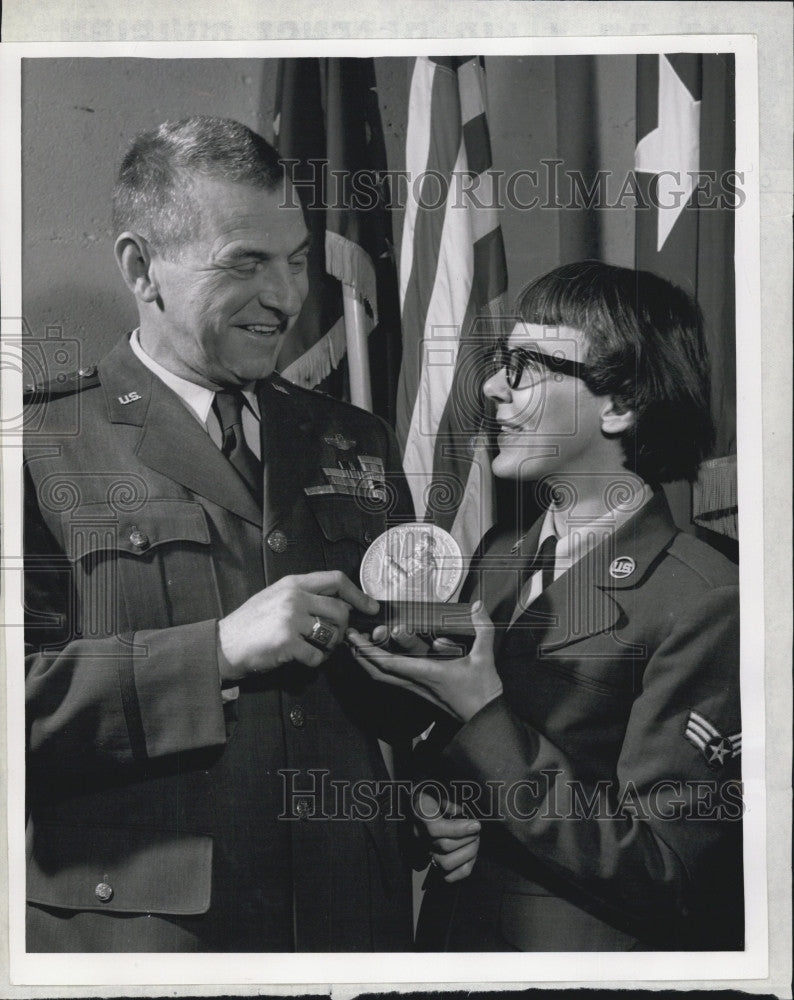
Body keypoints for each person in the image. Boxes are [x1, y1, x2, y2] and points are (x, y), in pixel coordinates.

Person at [23, 116, 423, 952]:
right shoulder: (38, 443)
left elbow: (395, 671)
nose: (284, 297)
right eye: (244, 262)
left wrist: (435, 784)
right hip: (150, 936)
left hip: (350, 920)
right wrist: (213, 653)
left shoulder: (355, 439)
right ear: (141, 268)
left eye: (297, 260)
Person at [348, 261, 743, 951]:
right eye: (504, 361)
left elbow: (670, 875)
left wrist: (484, 714)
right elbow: (453, 756)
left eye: (528, 366)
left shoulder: (705, 599)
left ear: (619, 405)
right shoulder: (503, 553)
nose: (495, 387)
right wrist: (431, 806)